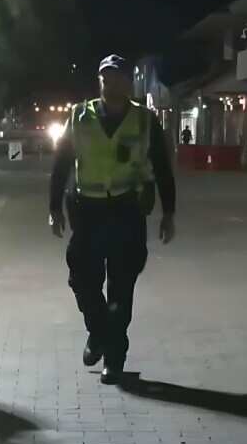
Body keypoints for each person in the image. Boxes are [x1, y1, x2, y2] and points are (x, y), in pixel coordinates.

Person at [49, 54, 177, 385]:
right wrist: (53, 209)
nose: (110, 82)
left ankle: (115, 359)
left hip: (126, 212)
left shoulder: (144, 120)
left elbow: (162, 167)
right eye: (105, 77)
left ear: (127, 82)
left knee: (121, 289)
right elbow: (62, 163)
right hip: (87, 213)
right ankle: (98, 331)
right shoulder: (80, 116)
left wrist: (169, 213)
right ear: (100, 81)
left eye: (117, 77)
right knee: (82, 281)